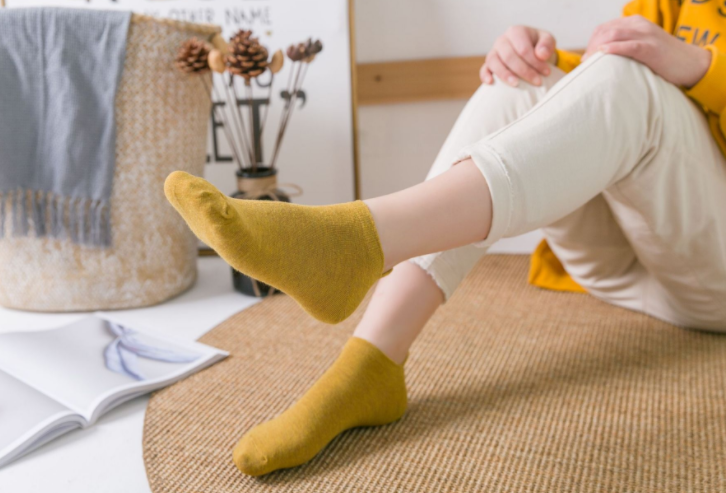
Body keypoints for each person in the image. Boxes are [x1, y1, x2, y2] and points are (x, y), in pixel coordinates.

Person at [164, 0, 726, 477]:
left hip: (713, 279)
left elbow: (646, 95)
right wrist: (544, 61)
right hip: (627, 263)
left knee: (631, 82)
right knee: (522, 81)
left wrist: (705, 67)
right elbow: (615, 100)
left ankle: (355, 242)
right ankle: (371, 363)